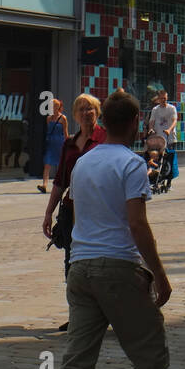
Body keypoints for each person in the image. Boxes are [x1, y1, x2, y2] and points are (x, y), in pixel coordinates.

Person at [55, 89, 185, 369]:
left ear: (103, 122)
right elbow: (137, 224)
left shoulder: (83, 162)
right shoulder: (132, 164)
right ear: (136, 124)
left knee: (75, 361)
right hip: (116, 267)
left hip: (80, 269)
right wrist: (160, 276)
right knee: (148, 347)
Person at [42, 93, 105, 331]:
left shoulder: (105, 139)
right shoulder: (69, 144)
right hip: (70, 211)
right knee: (72, 262)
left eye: (90, 109)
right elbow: (60, 181)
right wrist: (49, 213)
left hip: (99, 212)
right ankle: (78, 315)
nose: (86, 113)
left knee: (98, 262)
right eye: (81, 109)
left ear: (97, 112)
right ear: (75, 115)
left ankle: (100, 313)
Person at [39, 97, 68, 193]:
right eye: (51, 106)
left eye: (54, 106)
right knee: (47, 164)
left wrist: (67, 144)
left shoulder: (63, 118)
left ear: (58, 107)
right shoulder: (49, 118)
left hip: (60, 143)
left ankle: (61, 185)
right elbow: (49, 131)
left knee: (60, 165)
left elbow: (65, 132)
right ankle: (44, 185)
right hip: (51, 143)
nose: (52, 108)